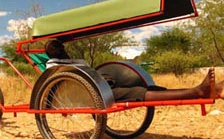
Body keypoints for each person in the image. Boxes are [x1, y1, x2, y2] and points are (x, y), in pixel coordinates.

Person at [44, 39, 224, 101]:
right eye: (56, 47)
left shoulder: (74, 60)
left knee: (147, 88)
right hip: (90, 93)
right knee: (137, 92)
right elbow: (63, 83)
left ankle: (205, 90)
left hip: (100, 85)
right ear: (52, 52)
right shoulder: (53, 66)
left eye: (60, 46)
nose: (61, 49)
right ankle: (197, 91)